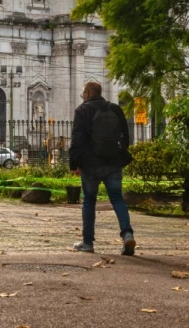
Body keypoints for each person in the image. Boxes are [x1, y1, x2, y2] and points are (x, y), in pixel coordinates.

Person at [69, 80, 136, 255]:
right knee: (117, 198)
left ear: (89, 93)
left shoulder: (82, 110)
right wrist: (120, 153)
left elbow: (77, 139)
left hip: (91, 164)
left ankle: (88, 242)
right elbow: (126, 136)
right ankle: (127, 234)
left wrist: (74, 163)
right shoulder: (115, 109)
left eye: (83, 93)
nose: (83, 96)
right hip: (113, 162)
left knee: (89, 201)